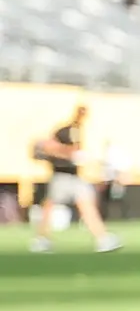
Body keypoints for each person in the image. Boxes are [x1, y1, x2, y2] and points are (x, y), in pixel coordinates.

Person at [26, 102, 119, 254]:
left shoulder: (78, 131)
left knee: (86, 205)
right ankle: (41, 239)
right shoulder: (65, 130)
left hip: (74, 176)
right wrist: (70, 155)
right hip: (61, 176)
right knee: (50, 207)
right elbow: (50, 147)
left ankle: (102, 238)